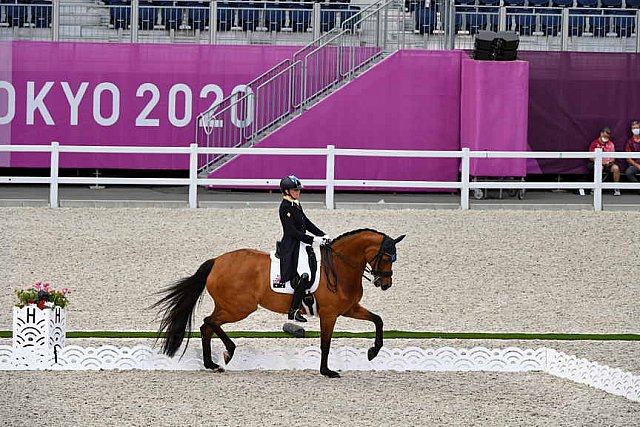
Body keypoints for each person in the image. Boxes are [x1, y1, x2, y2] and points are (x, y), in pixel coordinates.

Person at [278, 175, 330, 323]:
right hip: (292, 244)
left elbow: (306, 223)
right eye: (295, 190)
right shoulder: (285, 207)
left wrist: (323, 234)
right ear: (286, 191)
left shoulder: (295, 204)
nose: (298, 192)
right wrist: (314, 239)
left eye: (298, 189)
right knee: (305, 274)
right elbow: (292, 232)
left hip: (302, 242)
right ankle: (293, 310)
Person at [587, 127, 621, 196]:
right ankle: (595, 188)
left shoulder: (611, 144)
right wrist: (601, 162)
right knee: (600, 168)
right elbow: (590, 157)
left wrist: (611, 162)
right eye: (604, 136)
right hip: (598, 163)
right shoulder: (594, 143)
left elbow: (613, 157)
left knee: (616, 168)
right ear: (601, 134)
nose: (606, 138)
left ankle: (616, 188)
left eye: (607, 137)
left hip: (609, 164)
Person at [623, 120, 640, 190]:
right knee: (629, 172)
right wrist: (638, 166)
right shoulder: (629, 142)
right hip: (635, 165)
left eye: (637, 128)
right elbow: (628, 158)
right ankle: (638, 188)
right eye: (634, 128)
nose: (635, 130)